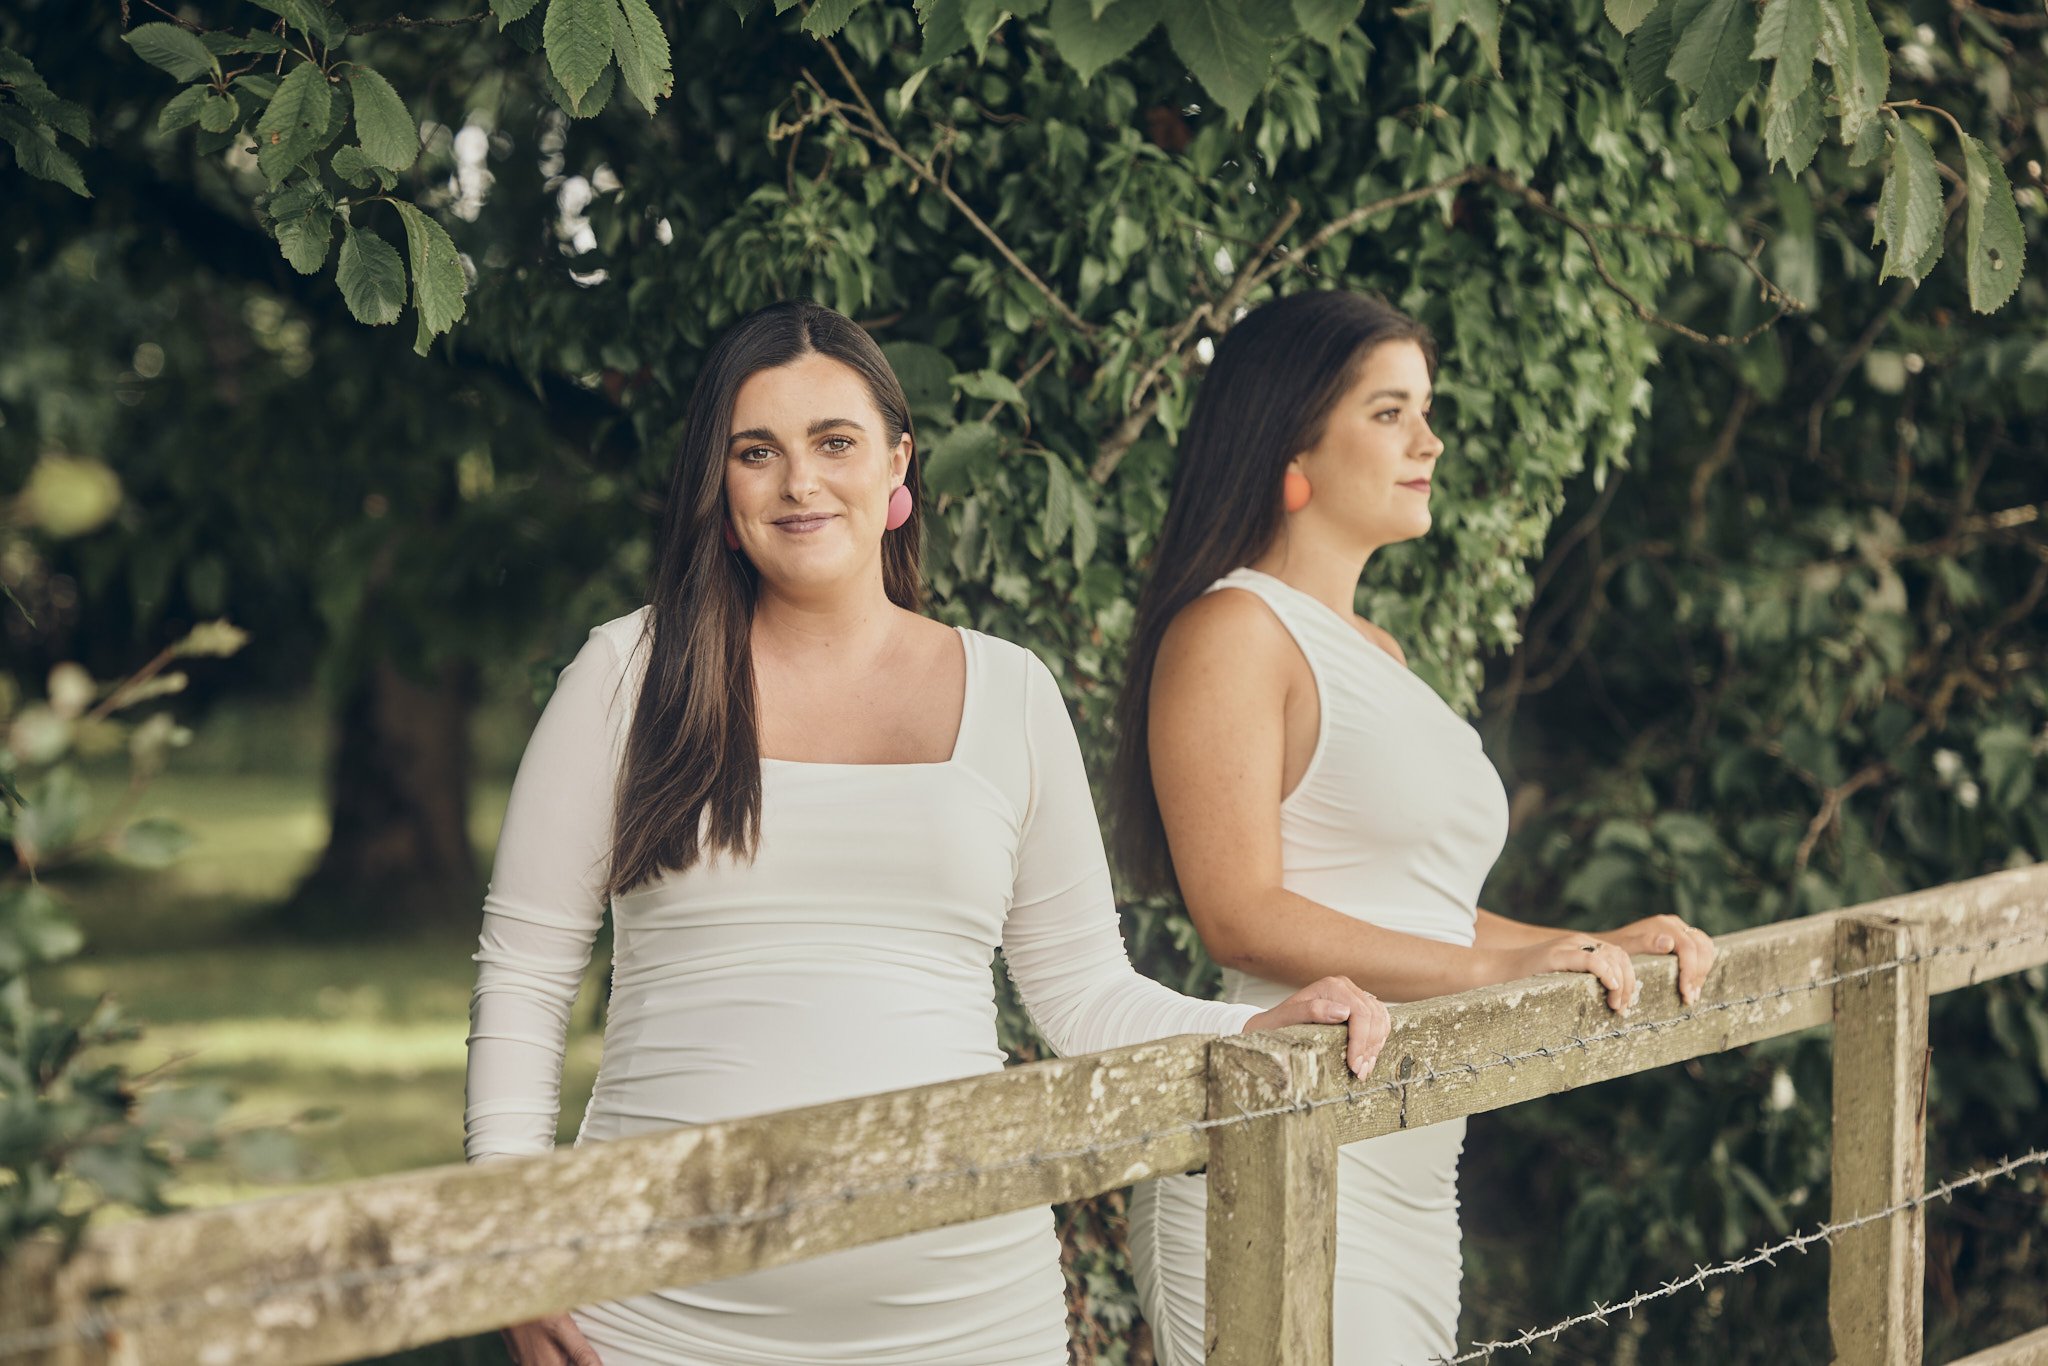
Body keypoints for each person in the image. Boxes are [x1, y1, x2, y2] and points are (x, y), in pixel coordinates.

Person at [462, 299, 1393, 1366]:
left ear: (896, 467)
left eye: (834, 442)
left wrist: (1252, 1032)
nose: (798, 481)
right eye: (754, 451)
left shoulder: (1009, 694)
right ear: (718, 491)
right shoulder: (626, 675)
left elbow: (1082, 991)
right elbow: (525, 971)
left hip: (966, 1316)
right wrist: (511, 1243)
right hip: (660, 1315)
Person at [1109, 289, 1717, 1366]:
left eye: (1423, 410)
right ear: (1291, 438)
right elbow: (1239, 913)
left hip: (1405, 1158)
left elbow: (1412, 905)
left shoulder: (1373, 651)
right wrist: (1495, 969)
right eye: (1388, 412)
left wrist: (1574, 946)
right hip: (1275, 1126)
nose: (1427, 441)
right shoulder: (1229, 630)